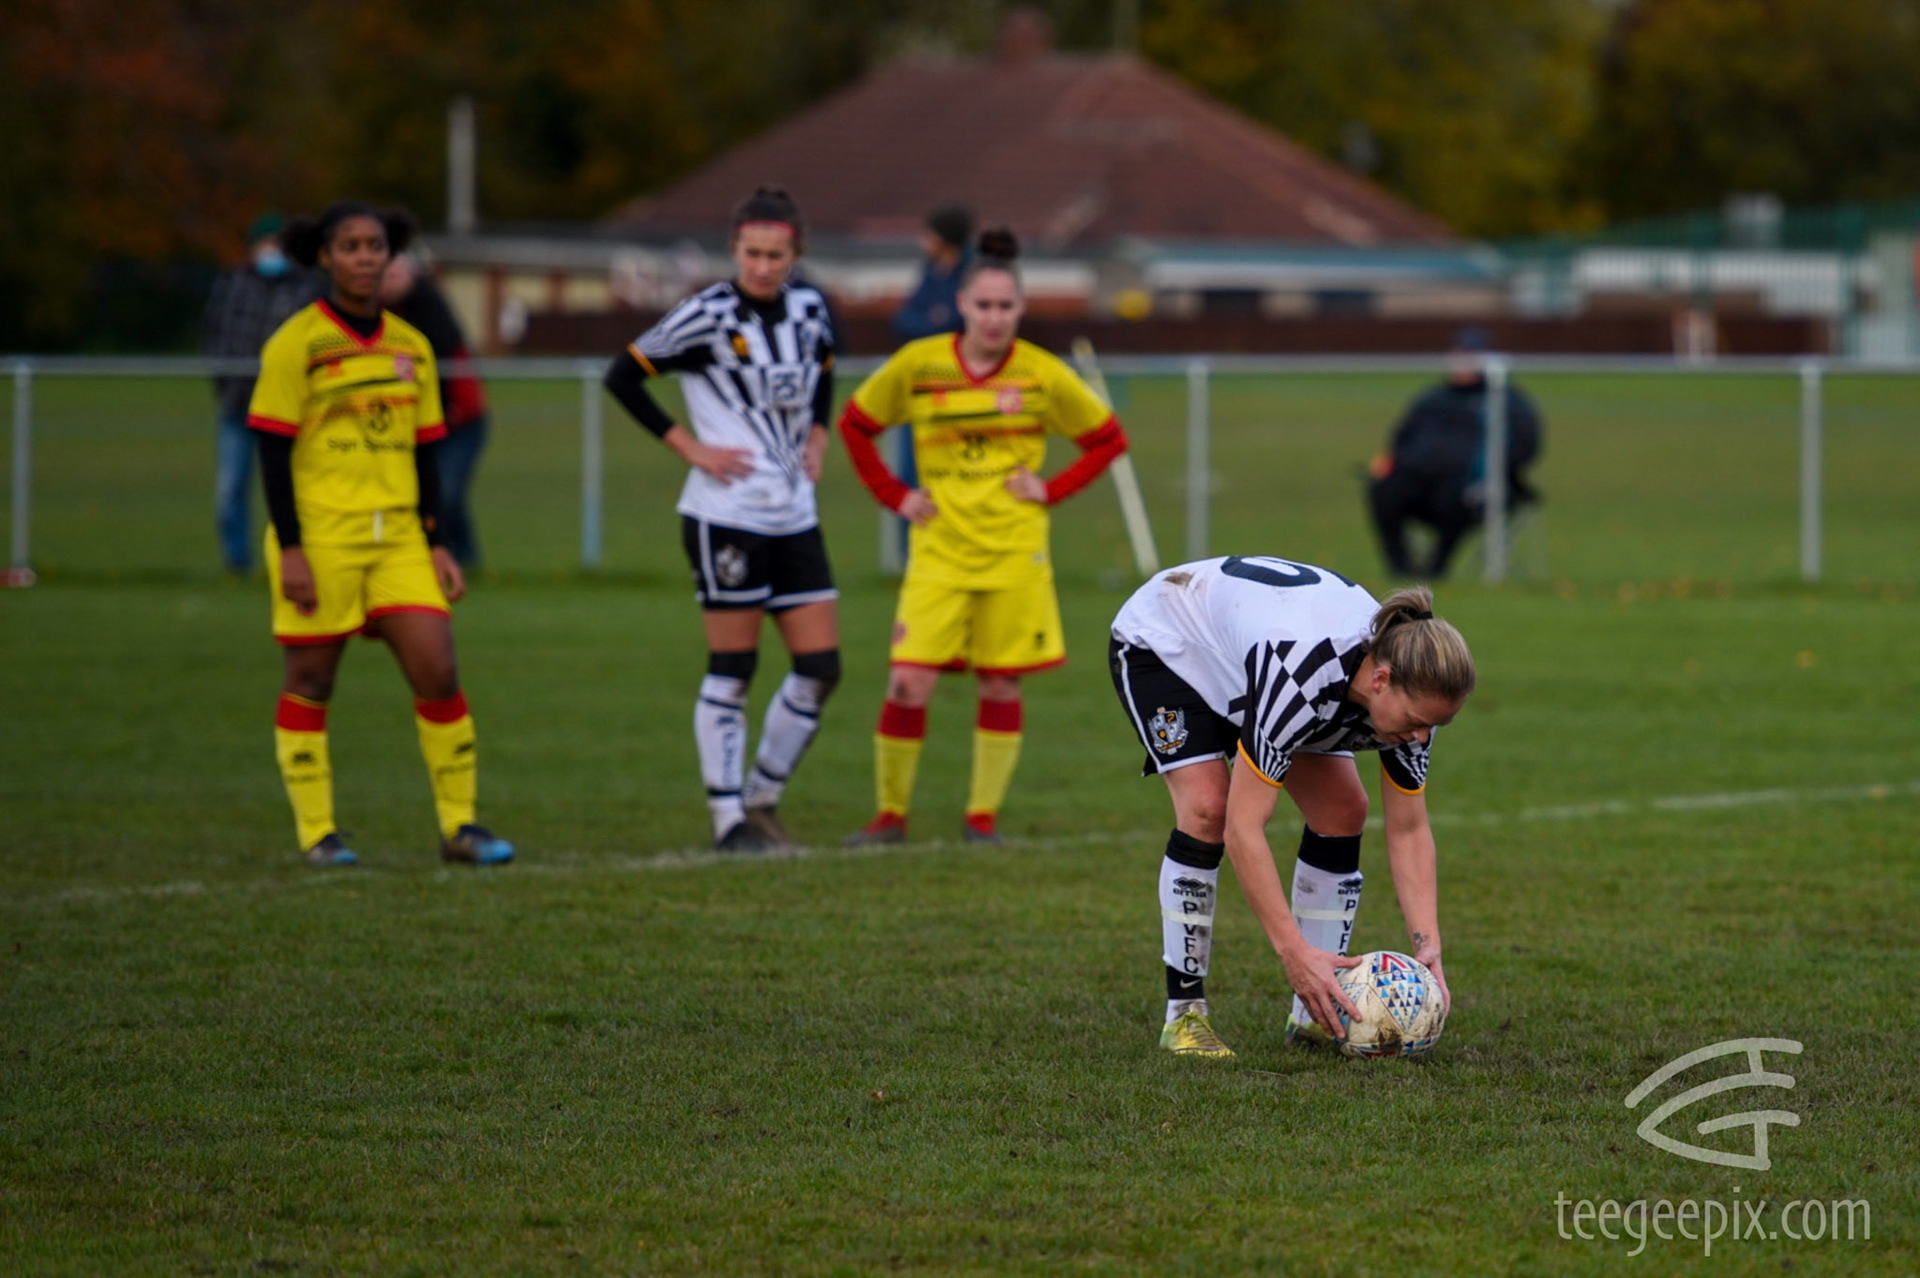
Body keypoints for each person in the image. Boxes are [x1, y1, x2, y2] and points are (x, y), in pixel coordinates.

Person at [1108, 558, 1472, 1058]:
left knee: (1345, 809)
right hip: (1171, 641)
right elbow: (1244, 830)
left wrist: (1427, 944)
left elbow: (1408, 829)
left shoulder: (1410, 706)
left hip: (1250, 659)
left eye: (1434, 727)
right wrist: (1292, 953)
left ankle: (1315, 1017)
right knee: (1209, 809)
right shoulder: (1300, 679)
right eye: (1415, 722)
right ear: (1382, 680)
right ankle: (1184, 1016)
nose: (1421, 737)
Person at [840, 227, 1130, 845]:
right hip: (938, 551)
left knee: (1000, 681)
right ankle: (889, 816)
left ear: (1020, 309)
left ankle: (982, 820)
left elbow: (1108, 440)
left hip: (1013, 552)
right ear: (962, 307)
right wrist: (895, 496)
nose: (995, 317)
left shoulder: (1041, 374)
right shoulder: (920, 365)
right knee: (907, 682)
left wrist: (1050, 489)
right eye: (984, 305)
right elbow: (856, 423)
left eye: (1006, 306)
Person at [249, 201, 514, 869]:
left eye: (377, 246)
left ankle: (460, 826)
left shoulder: (409, 345)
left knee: (438, 667)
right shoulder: (296, 343)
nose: (367, 257)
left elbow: (426, 452)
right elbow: (273, 453)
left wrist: (437, 540)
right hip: (322, 539)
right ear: (325, 258)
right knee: (310, 679)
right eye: (352, 246)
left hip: (398, 539)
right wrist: (292, 549)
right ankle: (319, 834)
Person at [603, 187, 841, 853]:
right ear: (734, 250)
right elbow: (622, 376)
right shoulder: (704, 314)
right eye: (752, 253)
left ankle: (763, 797)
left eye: (776, 254)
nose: (763, 265)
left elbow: (824, 364)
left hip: (794, 512)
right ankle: (727, 817)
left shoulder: (810, 306)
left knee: (821, 667)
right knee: (734, 665)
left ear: (795, 255)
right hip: (725, 515)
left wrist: (818, 431)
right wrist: (690, 447)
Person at [1366, 326, 1543, 579]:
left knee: (1457, 493)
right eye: (1459, 355)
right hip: (1419, 483)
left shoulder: (1506, 401)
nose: (1464, 363)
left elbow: (1525, 447)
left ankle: (1436, 567)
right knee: (1383, 486)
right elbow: (1400, 440)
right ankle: (1400, 568)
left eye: (1472, 356)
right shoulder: (1433, 399)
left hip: (1475, 489)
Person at [203, 213, 323, 575]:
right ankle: (238, 565)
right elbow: (214, 333)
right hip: (239, 405)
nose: (271, 251)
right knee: (231, 490)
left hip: (292, 411)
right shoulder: (234, 283)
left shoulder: (307, 288)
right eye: (265, 243)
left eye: (278, 244)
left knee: (297, 491)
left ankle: (301, 561)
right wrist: (225, 380)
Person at [381, 244, 491, 567]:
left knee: (447, 492)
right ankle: (442, 554)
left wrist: (458, 412)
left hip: (459, 422)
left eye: (396, 273)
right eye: (384, 275)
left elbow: (452, 362)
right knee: (432, 495)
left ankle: (463, 556)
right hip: (414, 422)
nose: (389, 281)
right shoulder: (377, 315)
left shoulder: (428, 308)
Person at [892, 205, 973, 342]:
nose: (923, 242)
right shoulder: (932, 271)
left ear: (943, 239)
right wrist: (932, 320)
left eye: (929, 235)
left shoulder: (973, 275)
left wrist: (925, 321)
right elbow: (902, 320)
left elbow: (954, 323)